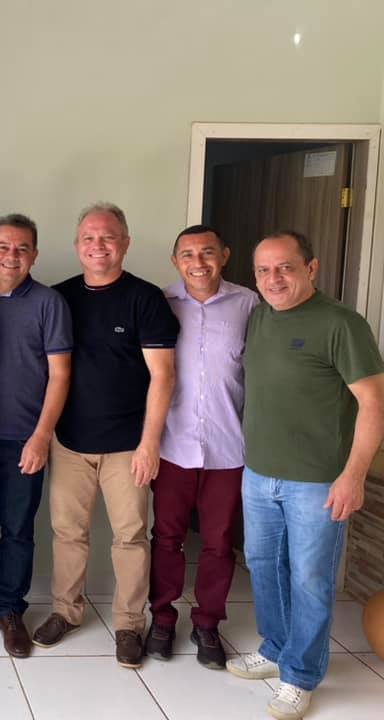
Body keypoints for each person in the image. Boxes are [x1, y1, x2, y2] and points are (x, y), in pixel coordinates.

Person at [226, 231, 384, 720]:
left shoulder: (341, 324)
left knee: (311, 579)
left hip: (317, 481)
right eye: (263, 270)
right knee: (263, 567)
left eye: (285, 267)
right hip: (259, 474)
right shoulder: (258, 317)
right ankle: (276, 648)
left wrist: (353, 476)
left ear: (310, 269)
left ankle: (300, 675)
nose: (273, 278)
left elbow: (373, 403)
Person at [34, 202, 178, 669]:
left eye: (109, 237)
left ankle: (129, 625)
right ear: (77, 245)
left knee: (131, 537)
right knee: (67, 533)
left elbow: (163, 376)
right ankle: (65, 611)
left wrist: (150, 443)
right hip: (69, 441)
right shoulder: (59, 298)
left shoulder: (145, 298)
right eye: (89, 238)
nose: (99, 246)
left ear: (125, 243)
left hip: (128, 445)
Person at [0, 213, 72, 659]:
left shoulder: (49, 303)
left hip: (25, 439)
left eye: (23, 248)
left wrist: (41, 436)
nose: (12, 255)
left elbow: (59, 375)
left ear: (35, 255)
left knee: (19, 530)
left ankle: (9, 610)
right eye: (3, 247)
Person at [145, 225, 257, 669]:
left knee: (219, 542)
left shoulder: (250, 304)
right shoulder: (160, 303)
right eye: (188, 254)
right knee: (166, 537)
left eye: (207, 252)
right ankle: (162, 619)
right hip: (173, 444)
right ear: (175, 261)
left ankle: (208, 623)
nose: (198, 262)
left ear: (224, 255)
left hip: (229, 447)